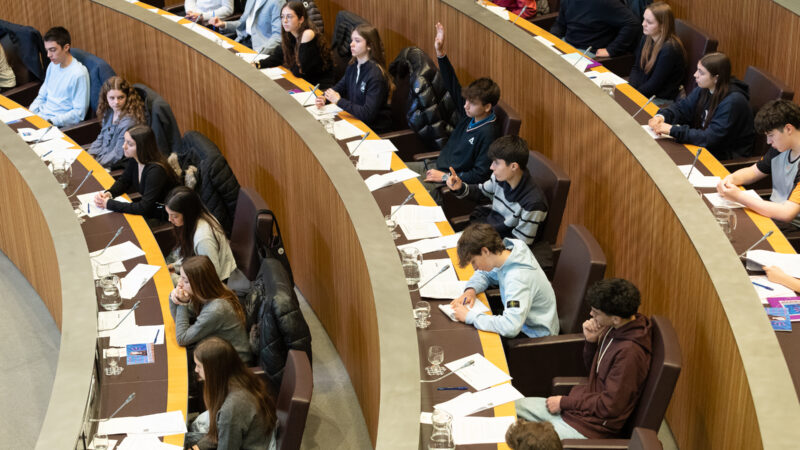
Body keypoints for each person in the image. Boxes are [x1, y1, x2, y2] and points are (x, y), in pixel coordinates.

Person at [515, 278, 652, 439]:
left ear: (615, 318)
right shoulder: (617, 326)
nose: (591, 314)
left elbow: (610, 406)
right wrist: (591, 342)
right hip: (579, 409)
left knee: (522, 439)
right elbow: (595, 372)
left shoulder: (630, 354)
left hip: (590, 428)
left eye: (596, 312)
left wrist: (564, 402)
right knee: (511, 408)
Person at [405, 22, 500, 202]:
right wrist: (441, 54)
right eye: (466, 101)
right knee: (395, 173)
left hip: (447, 181)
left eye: (472, 103)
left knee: (408, 192)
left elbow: (480, 175)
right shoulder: (470, 114)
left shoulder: (489, 134)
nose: (465, 106)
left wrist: (444, 177)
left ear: (487, 107)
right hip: (434, 165)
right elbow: (452, 85)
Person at [449, 223, 558, 338]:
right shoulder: (510, 251)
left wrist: (470, 317)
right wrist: (471, 290)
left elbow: (510, 327)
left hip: (535, 338)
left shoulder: (517, 279)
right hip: (521, 319)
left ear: (485, 251)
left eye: (474, 261)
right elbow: (485, 274)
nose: (474, 268)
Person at [648, 52, 755, 160]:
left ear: (716, 78)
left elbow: (710, 138)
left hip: (725, 158)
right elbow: (682, 108)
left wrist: (672, 130)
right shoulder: (704, 87)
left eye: (701, 72)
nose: (695, 75)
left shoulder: (733, 102)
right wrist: (661, 117)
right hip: (704, 147)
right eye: (697, 70)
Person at [446, 135, 548, 246]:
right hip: (488, 233)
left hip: (500, 246)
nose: (491, 167)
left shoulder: (533, 203)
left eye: (496, 163)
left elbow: (519, 246)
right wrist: (460, 187)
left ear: (513, 166)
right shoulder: (501, 178)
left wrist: (480, 247)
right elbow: (481, 192)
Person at [716, 99, 800, 228]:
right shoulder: (780, 148)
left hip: (792, 225)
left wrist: (739, 196)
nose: (768, 141)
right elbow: (753, 172)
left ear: (788, 128)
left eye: (771, 135)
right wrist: (730, 179)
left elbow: (787, 213)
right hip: (772, 212)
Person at [185, 337, 276, 450]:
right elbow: (219, 435)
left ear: (214, 371)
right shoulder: (242, 379)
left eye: (199, 366)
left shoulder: (232, 408)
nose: (196, 370)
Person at [169, 256, 252, 364]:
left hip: (232, 365)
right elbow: (180, 322)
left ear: (199, 284)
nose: (179, 283)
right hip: (216, 351)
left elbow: (182, 338)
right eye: (180, 277)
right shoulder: (212, 291)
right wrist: (174, 297)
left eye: (185, 281)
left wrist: (182, 303)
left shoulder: (216, 309)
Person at [93, 125, 180, 222]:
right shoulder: (135, 159)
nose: (124, 146)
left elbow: (144, 208)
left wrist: (109, 204)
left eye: (129, 144)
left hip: (164, 213)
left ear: (142, 147)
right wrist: (109, 193)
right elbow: (124, 181)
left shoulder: (156, 172)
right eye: (125, 141)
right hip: (150, 207)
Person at [315, 24, 392, 132]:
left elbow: (367, 114)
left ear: (369, 45)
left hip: (373, 130)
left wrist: (339, 101)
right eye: (351, 40)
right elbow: (340, 87)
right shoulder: (353, 65)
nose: (351, 44)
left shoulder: (376, 76)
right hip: (356, 121)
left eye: (357, 41)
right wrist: (324, 98)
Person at [165, 186, 237, 283]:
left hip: (216, 283)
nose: (169, 219)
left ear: (188, 214)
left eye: (174, 216)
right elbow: (192, 256)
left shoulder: (203, 239)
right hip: (199, 273)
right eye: (168, 214)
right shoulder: (199, 216)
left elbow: (212, 278)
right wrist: (175, 267)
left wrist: (176, 279)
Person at [257, 1, 333, 89]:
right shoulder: (291, 33)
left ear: (301, 19)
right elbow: (278, 57)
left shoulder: (308, 34)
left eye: (289, 17)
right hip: (304, 82)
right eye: (282, 17)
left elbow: (299, 71)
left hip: (318, 87)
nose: (284, 21)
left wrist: (289, 64)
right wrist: (257, 64)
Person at [28, 27, 89, 127]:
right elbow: (42, 95)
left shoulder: (79, 74)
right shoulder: (53, 65)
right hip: (40, 117)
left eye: (52, 50)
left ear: (66, 47)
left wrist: (52, 122)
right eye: (47, 50)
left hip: (56, 124)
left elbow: (79, 113)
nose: (48, 55)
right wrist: (31, 112)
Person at [628, 2, 686, 103]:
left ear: (663, 26)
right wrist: (630, 89)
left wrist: (633, 96)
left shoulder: (670, 49)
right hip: (644, 91)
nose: (643, 24)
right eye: (644, 19)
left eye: (649, 22)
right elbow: (636, 68)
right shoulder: (646, 37)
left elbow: (655, 84)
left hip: (660, 98)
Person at [87, 76, 146, 168]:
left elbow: (118, 154)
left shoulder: (129, 121)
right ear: (105, 97)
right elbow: (101, 137)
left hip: (114, 165)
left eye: (120, 97)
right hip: (101, 158)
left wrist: (95, 164)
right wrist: (91, 154)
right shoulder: (109, 112)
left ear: (127, 97)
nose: (116, 102)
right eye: (112, 98)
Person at [550, 0, 641, 58]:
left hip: (587, 52)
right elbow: (560, 24)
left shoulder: (606, 2)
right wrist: (550, 39)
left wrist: (611, 50)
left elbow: (632, 23)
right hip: (566, 43)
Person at [209, 0, 285, 54]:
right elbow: (242, 22)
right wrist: (223, 24)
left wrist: (259, 53)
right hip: (242, 40)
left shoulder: (277, 2)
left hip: (260, 48)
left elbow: (278, 36)